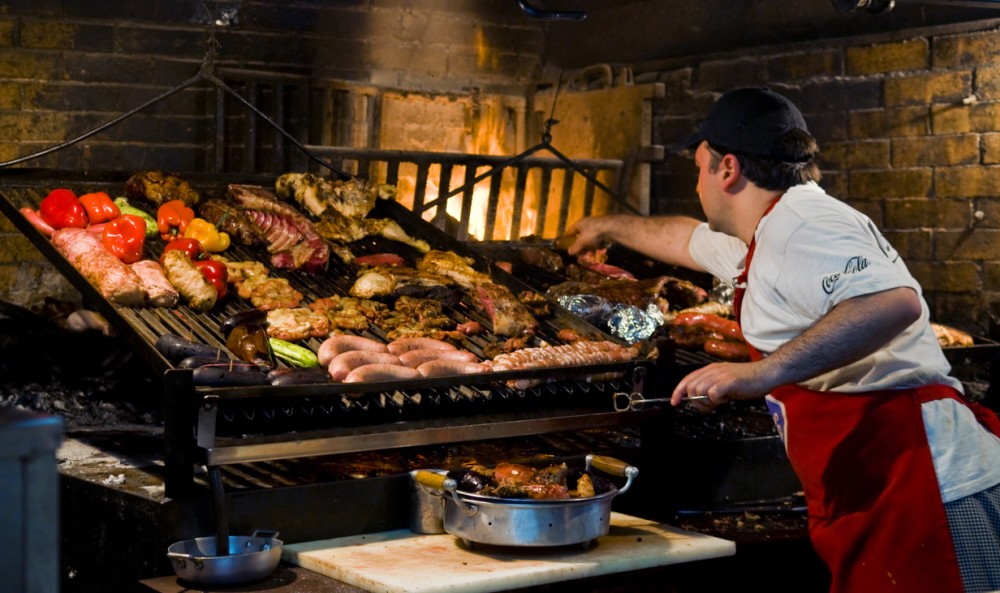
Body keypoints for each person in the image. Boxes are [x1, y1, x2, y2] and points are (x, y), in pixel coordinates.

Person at [566, 87, 1000, 593]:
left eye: (698, 169)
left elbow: (893, 303)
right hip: (880, 487)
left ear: (727, 169)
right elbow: (684, 238)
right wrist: (604, 226)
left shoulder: (806, 224)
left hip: (931, 487)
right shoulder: (770, 233)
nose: (697, 186)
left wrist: (760, 373)